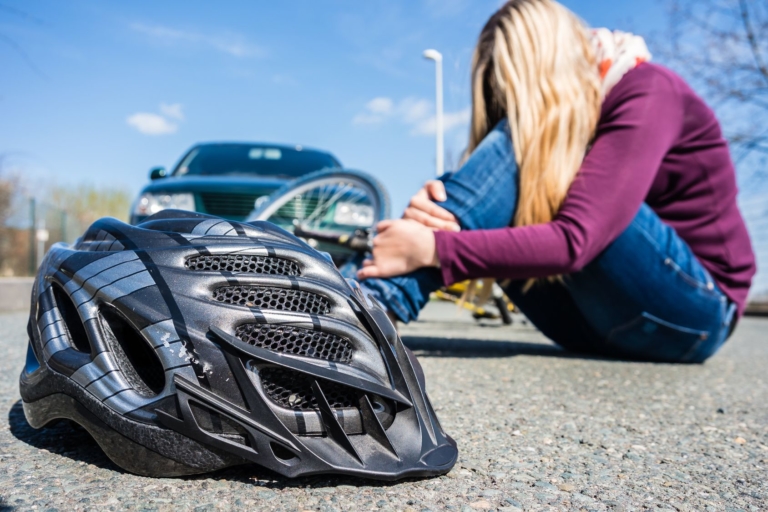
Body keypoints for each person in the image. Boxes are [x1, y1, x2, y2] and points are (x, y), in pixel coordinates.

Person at [355, 0, 756, 363]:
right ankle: (357, 311)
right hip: (594, 324)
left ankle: (365, 311)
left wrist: (433, 246)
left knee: (530, 139)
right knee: (521, 161)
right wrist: (444, 199)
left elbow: (577, 240)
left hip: (695, 314)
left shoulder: (650, 90)